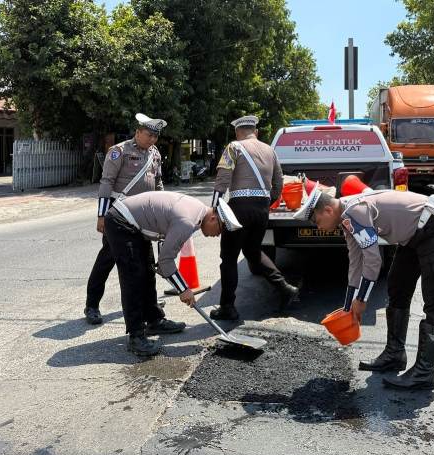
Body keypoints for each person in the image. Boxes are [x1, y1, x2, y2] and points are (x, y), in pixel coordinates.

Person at [293, 188, 434, 391]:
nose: (318, 227)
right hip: (413, 235)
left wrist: (361, 300)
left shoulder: (354, 213)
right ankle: (394, 354)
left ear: (327, 210)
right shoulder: (345, 215)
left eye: (316, 222)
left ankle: (424, 373)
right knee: (397, 286)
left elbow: (373, 259)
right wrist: (347, 307)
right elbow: (355, 262)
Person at [104, 191, 242, 355]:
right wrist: (184, 289)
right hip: (122, 222)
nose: (217, 235)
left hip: (136, 225)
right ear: (213, 218)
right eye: (220, 230)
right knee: (134, 278)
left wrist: (178, 283)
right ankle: (136, 337)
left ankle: (154, 320)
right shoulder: (187, 221)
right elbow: (165, 261)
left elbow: (163, 264)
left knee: (147, 274)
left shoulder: (197, 212)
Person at [84, 113, 185, 335]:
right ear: (138, 132)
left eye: (155, 137)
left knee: (147, 266)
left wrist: (163, 212)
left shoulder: (155, 154)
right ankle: (92, 305)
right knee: (107, 260)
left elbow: (158, 184)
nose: (152, 140)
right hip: (119, 218)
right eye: (149, 135)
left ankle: (154, 317)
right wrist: (101, 215)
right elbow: (106, 183)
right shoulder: (120, 151)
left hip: (144, 219)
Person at [210, 115, 299, 320]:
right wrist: (266, 204)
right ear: (256, 132)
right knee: (253, 251)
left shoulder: (233, 147)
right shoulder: (270, 151)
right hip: (261, 209)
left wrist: (214, 209)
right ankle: (284, 287)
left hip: (239, 208)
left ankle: (227, 307)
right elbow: (279, 182)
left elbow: (222, 180)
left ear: (237, 132)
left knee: (229, 258)